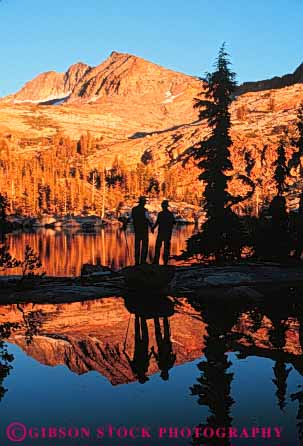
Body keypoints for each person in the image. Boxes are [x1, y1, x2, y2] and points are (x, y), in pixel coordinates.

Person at [152, 200, 175, 265]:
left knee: (158, 247)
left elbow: (157, 222)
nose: (162, 207)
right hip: (167, 233)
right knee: (166, 248)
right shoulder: (170, 214)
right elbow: (173, 223)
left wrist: (153, 228)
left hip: (161, 233)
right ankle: (165, 262)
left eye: (162, 206)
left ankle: (156, 261)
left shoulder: (160, 214)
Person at [131, 196, 152, 265]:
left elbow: (131, 218)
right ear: (143, 203)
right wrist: (151, 227)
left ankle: (137, 262)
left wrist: (125, 224)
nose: (145, 203)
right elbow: (148, 219)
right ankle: (143, 261)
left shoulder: (134, 209)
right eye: (144, 202)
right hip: (144, 230)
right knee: (144, 245)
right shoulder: (145, 210)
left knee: (137, 245)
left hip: (137, 229)